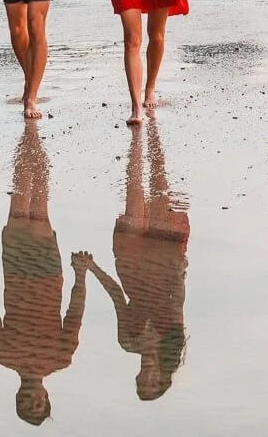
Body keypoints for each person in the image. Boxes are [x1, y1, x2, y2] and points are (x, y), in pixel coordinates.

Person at [0, 121, 91, 426]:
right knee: (39, 209)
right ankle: (34, 142)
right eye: (39, 404)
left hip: (16, 277)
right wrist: (81, 275)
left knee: (19, 210)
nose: (35, 399)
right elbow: (75, 313)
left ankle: (29, 142)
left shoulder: (3, 355)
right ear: (46, 398)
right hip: (46, 279)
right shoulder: (62, 357)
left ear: (19, 397)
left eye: (28, 403)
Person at [86, 119, 189, 402]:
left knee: (133, 193)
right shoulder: (172, 337)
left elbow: (117, 297)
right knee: (160, 188)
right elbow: (177, 299)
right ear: (163, 377)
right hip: (164, 264)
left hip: (130, 265)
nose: (145, 377)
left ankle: (136, 139)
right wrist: (178, 264)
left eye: (141, 383)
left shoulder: (127, 341)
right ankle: (152, 135)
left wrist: (92, 268)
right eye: (152, 382)